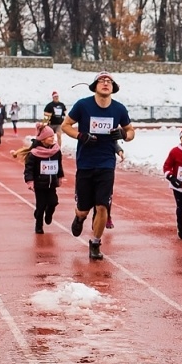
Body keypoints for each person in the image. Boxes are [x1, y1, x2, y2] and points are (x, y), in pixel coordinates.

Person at [61, 73, 134, 261]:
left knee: (102, 206)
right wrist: (81, 136)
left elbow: (131, 131)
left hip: (106, 164)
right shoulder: (83, 105)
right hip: (85, 163)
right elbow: (66, 125)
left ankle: (95, 242)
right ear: (94, 86)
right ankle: (79, 218)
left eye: (109, 81)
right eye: (102, 81)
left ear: (113, 88)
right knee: (84, 209)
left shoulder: (119, 109)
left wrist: (122, 134)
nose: (106, 83)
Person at [18, 125, 64, 233]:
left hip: (51, 183)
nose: (53, 138)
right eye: (50, 137)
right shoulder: (34, 154)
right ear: (43, 139)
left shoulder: (56, 151)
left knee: (53, 202)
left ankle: (48, 214)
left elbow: (59, 165)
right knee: (41, 205)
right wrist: (29, 181)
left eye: (53, 136)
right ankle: (39, 225)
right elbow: (29, 169)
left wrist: (60, 177)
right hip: (39, 184)